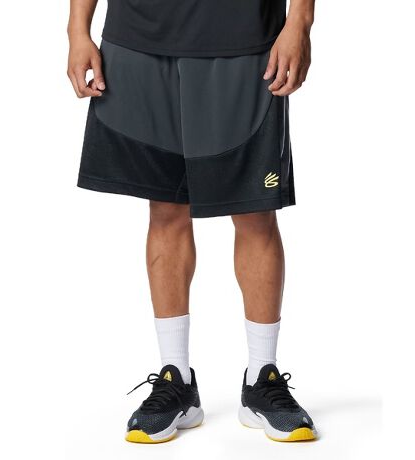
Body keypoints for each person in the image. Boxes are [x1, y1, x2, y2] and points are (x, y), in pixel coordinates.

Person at [67, 0, 316, 444]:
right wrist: (77, 29)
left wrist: (300, 20)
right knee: (165, 209)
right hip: (139, 39)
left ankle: (262, 379)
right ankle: (175, 378)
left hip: (246, 41)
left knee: (255, 211)